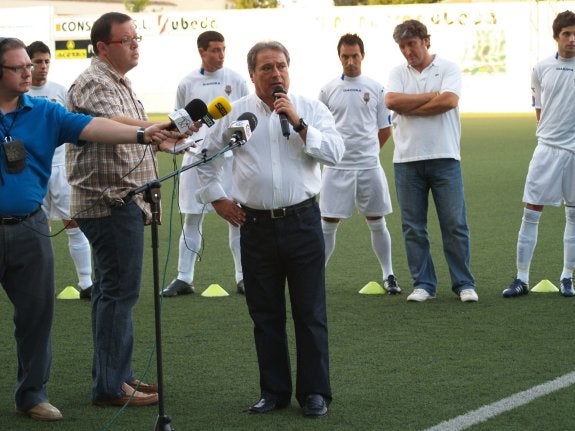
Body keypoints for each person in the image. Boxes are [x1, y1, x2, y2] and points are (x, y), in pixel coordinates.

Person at [0, 36, 181, 421]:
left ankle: (32, 396)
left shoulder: (45, 112)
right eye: (18, 68)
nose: (29, 72)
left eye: (29, 66)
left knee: (36, 317)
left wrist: (143, 134)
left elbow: (93, 126)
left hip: (29, 229)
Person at [195, 41, 344, 417]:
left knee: (309, 312)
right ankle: (274, 392)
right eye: (266, 68)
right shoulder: (235, 112)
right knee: (265, 315)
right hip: (256, 226)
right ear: (252, 74)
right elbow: (203, 158)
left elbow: (335, 154)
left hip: (303, 223)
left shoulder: (309, 108)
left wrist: (298, 123)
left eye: (280, 66)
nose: (275, 74)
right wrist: (217, 198)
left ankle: (315, 394)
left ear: (288, 70)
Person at [66, 12, 194, 407]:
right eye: (127, 40)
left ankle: (117, 376)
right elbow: (112, 121)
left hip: (120, 199)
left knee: (113, 293)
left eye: (137, 38)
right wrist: (154, 130)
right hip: (108, 201)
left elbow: (130, 131)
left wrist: (160, 135)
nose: (135, 44)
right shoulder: (93, 80)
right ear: (103, 47)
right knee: (118, 294)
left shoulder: (118, 81)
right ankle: (110, 385)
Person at [384, 19, 477, 303]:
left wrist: (411, 104)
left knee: (454, 224)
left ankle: (463, 284)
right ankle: (423, 284)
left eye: (411, 44)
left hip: (445, 157)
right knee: (413, 226)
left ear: (426, 40)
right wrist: (430, 97)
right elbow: (390, 102)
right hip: (406, 160)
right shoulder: (397, 72)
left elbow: (449, 102)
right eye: (402, 47)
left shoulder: (448, 68)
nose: (407, 51)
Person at [161, 30, 249, 298]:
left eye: (223, 49)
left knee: (237, 218)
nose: (221, 54)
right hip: (195, 157)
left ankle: (244, 277)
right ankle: (184, 278)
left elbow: (245, 115)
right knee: (192, 217)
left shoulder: (235, 79)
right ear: (201, 51)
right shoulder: (186, 83)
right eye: (215, 50)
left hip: (231, 158)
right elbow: (180, 123)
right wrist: (182, 138)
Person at [318, 33, 400, 294]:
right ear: (339, 57)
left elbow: (385, 129)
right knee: (327, 223)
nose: (350, 61)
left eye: (354, 55)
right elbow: (319, 129)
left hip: (368, 166)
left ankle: (389, 275)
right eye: (345, 56)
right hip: (335, 168)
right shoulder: (327, 89)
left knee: (377, 221)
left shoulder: (376, 88)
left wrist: (367, 153)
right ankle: (315, 277)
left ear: (362, 55)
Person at [502, 10, 575, 298]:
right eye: (567, 34)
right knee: (531, 212)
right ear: (556, 37)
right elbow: (539, 110)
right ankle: (521, 278)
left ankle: (568, 276)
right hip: (546, 150)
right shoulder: (541, 68)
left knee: (573, 216)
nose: (572, 39)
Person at [25, 40, 93, 299]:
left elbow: (76, 126)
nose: (42, 67)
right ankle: (35, 286)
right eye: (37, 62)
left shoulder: (61, 91)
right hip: (31, 169)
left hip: (61, 166)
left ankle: (86, 283)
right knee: (35, 227)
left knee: (73, 223)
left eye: (46, 61)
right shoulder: (18, 95)